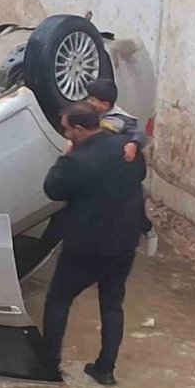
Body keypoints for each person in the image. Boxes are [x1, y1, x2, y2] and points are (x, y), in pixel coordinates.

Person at [41, 103, 146, 385]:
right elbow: (140, 176)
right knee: (112, 304)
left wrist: (64, 156)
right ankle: (105, 369)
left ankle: (50, 366)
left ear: (78, 129)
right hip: (124, 242)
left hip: (86, 248)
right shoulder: (126, 147)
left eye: (66, 129)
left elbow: (52, 188)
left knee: (58, 300)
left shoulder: (76, 160)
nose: (65, 134)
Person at [84, 78, 157, 256]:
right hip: (104, 173)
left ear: (105, 104)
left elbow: (139, 134)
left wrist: (133, 145)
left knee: (132, 207)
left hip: (123, 174)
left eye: (92, 99)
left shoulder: (121, 120)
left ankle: (148, 231)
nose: (88, 102)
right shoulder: (90, 115)